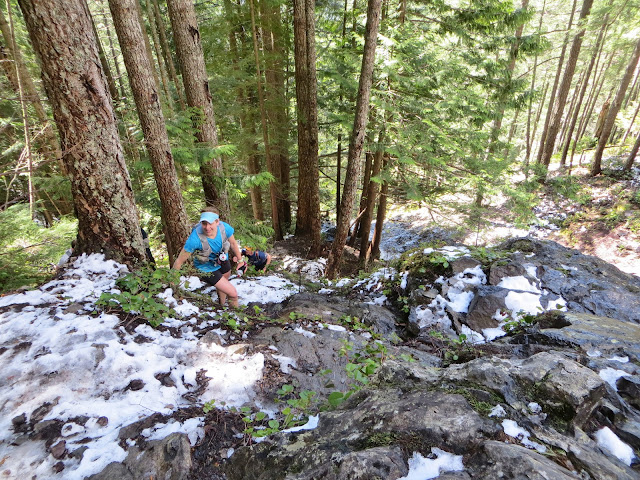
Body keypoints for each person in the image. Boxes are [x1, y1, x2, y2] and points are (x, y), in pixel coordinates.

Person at [172, 210, 245, 308]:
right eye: (204, 223)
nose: (207, 227)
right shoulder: (194, 239)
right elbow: (179, 261)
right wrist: (172, 282)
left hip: (222, 260)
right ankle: (235, 314)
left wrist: (240, 261)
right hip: (206, 268)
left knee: (224, 286)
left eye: (210, 223)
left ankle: (222, 306)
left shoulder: (224, 228)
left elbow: (233, 243)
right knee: (233, 294)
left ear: (217, 222)